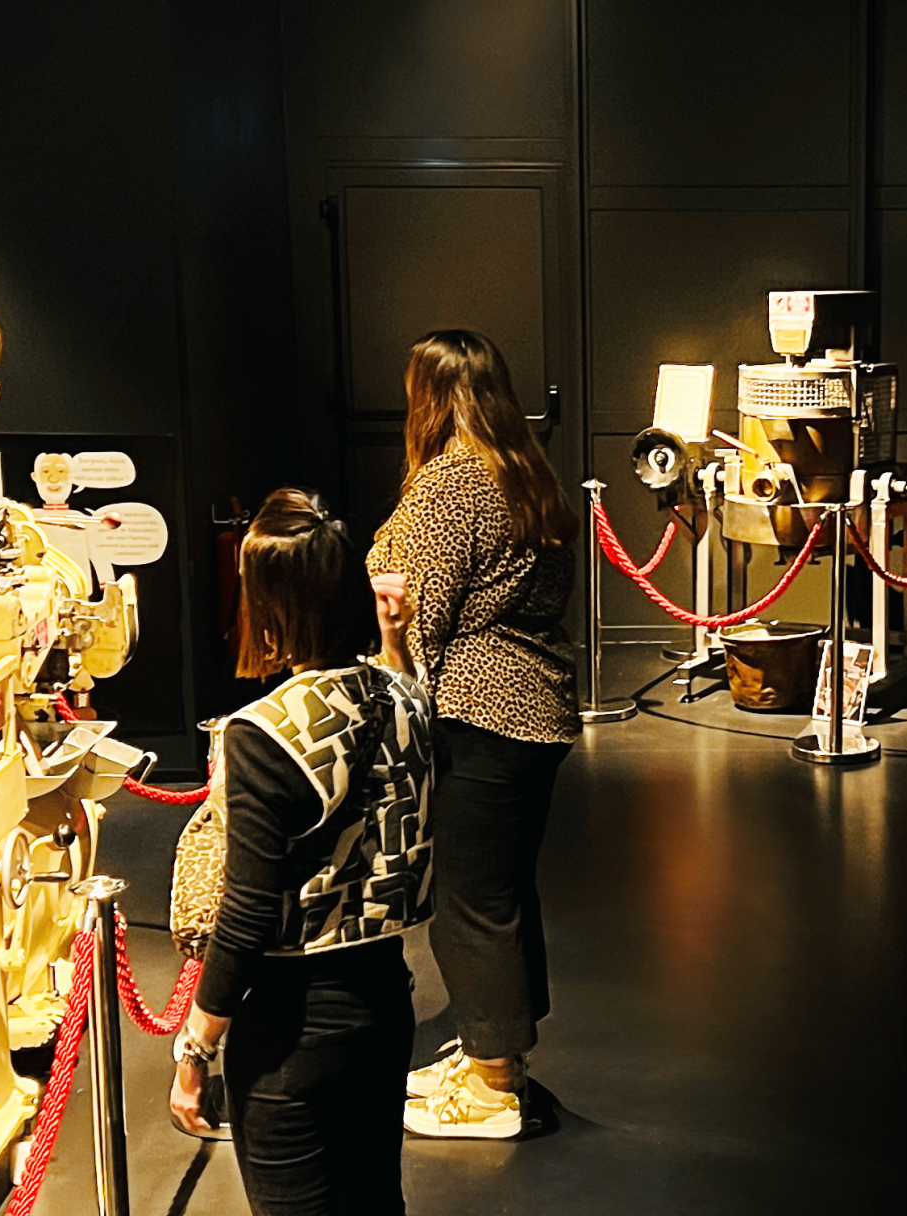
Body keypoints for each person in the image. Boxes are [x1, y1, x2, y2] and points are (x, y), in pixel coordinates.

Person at [166, 487, 434, 1216]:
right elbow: (396, 713)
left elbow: (248, 911)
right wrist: (394, 641)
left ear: (272, 605)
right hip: (384, 999)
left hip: (292, 1022)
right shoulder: (408, 698)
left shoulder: (263, 733)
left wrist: (197, 1046)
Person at [366, 329, 580, 1139]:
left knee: (471, 902)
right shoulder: (525, 469)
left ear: (427, 395)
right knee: (505, 891)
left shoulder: (449, 484)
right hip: (538, 707)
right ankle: (498, 1055)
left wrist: (390, 677)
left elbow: (421, 620)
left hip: (479, 715)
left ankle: (491, 1090)